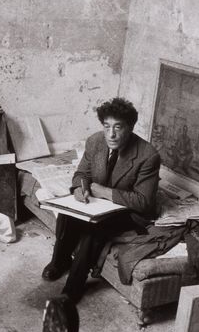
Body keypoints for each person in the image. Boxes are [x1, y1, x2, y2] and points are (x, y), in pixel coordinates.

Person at [41, 97, 161, 303]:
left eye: (118, 127)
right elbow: (81, 173)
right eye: (107, 127)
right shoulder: (95, 141)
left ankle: (73, 288)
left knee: (93, 229)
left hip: (129, 212)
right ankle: (59, 262)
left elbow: (144, 202)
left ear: (130, 127)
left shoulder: (148, 155)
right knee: (67, 213)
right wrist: (80, 188)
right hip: (100, 204)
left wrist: (103, 191)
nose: (111, 134)